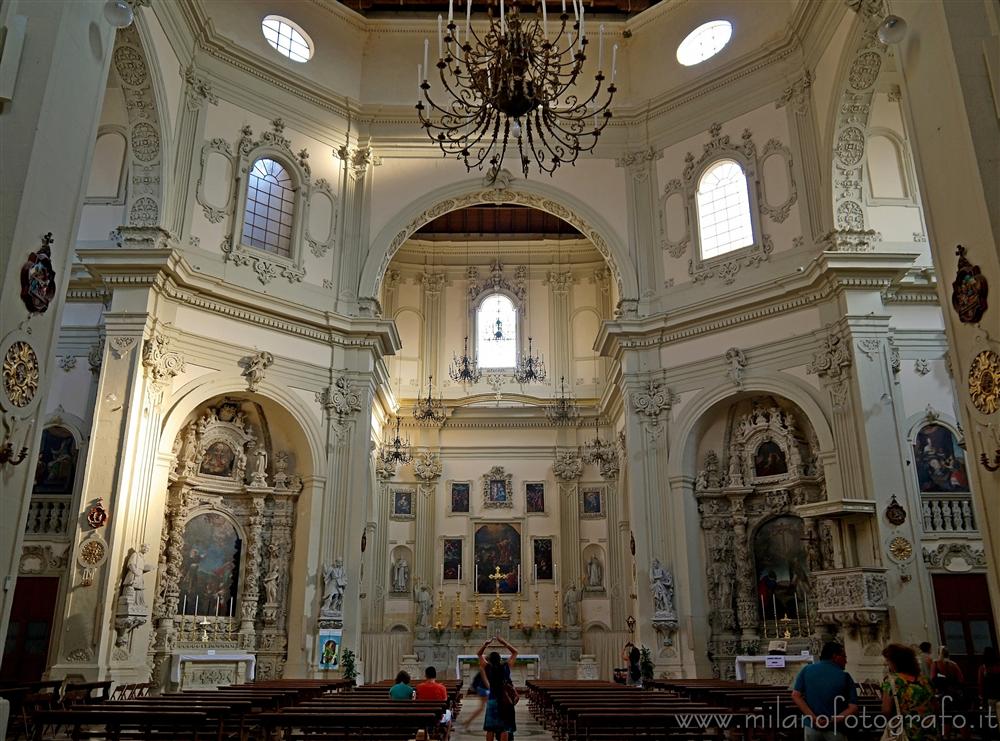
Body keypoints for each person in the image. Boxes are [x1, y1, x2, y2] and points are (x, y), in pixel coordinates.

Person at [791, 641, 858, 741]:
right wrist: (832, 720)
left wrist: (814, 719)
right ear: (835, 656)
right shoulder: (844, 677)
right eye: (844, 657)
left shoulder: (807, 670)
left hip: (811, 727)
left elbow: (796, 695)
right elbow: (853, 707)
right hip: (835, 729)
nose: (846, 661)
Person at [881, 643, 939, 741]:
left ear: (895, 662)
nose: (887, 664)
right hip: (929, 730)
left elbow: (886, 710)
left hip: (908, 731)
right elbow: (935, 707)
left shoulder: (893, 682)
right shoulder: (925, 681)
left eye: (888, 661)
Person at [477, 635, 518, 741]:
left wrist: (486, 644)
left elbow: (479, 654)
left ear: (489, 660)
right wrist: (503, 642)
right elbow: (515, 652)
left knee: (490, 729)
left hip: (492, 699)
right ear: (500, 659)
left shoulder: (487, 667)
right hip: (505, 700)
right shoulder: (506, 666)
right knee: (504, 728)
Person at [978, 647, 1000, 712]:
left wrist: (981, 696)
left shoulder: (983, 668)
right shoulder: (998, 666)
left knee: (992, 714)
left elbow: (980, 683)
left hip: (990, 695)